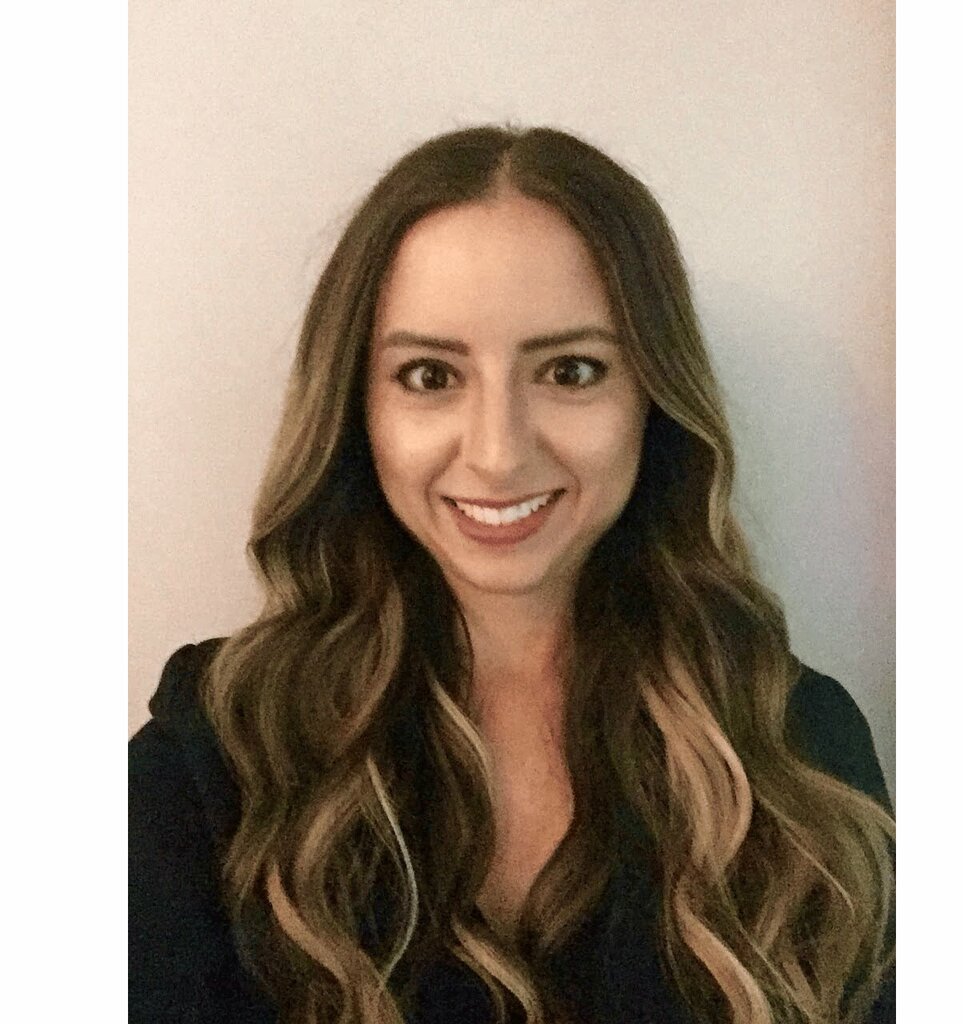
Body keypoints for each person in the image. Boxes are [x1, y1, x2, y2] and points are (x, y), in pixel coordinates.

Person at [129, 124, 895, 1024]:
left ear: (652, 398)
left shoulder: (798, 749)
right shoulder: (214, 755)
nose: (498, 454)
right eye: (429, 375)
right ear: (357, 410)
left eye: (570, 371)